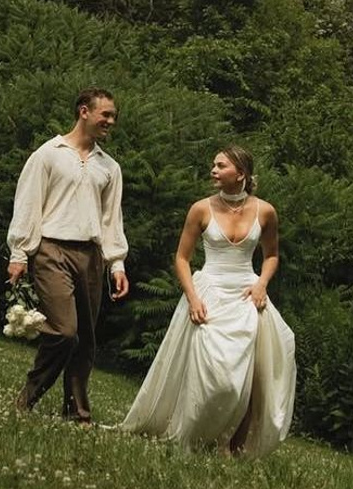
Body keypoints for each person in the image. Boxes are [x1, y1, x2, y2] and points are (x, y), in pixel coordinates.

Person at [120, 146, 295, 456]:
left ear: (240, 173)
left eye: (221, 165)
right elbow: (181, 258)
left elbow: (271, 256)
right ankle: (192, 434)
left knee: (248, 373)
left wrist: (262, 284)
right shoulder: (201, 209)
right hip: (209, 291)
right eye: (213, 165)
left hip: (247, 293)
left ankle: (233, 446)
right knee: (210, 370)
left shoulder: (265, 211)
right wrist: (193, 297)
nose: (213, 170)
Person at [6, 87, 130, 424]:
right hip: (51, 249)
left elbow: (111, 220)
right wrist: (19, 253)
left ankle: (77, 413)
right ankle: (27, 398)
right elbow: (28, 203)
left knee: (86, 341)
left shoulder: (110, 167)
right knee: (64, 331)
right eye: (105, 114)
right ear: (84, 111)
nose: (111, 121)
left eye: (113, 116)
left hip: (91, 256)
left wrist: (116, 263)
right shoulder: (48, 154)